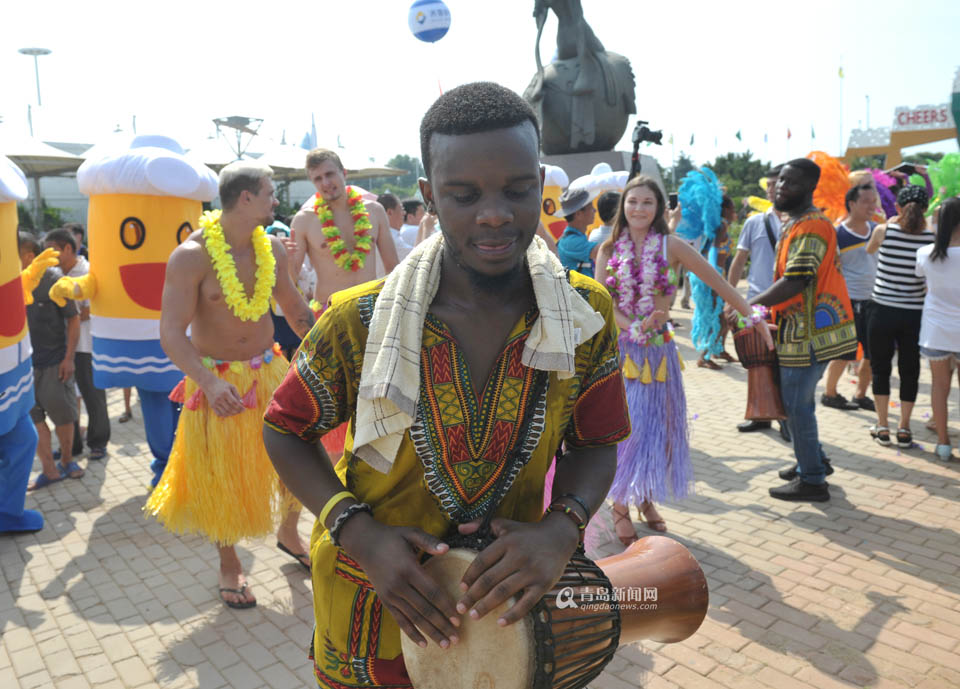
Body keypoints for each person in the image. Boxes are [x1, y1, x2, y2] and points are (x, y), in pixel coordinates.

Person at [262, 81, 629, 688]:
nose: (494, 213)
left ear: (542, 185)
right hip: (371, 610)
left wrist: (562, 529)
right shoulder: (359, 319)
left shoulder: (582, 313)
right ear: (430, 196)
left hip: (504, 626)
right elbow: (284, 428)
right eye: (463, 195)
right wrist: (361, 536)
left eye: (517, 190)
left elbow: (597, 441)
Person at [145, 161, 317, 609]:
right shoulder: (191, 256)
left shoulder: (272, 250)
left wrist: (328, 347)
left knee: (299, 456)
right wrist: (206, 381)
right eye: (270, 192)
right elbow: (170, 333)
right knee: (220, 478)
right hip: (216, 381)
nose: (275, 200)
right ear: (246, 199)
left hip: (269, 371)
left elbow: (294, 307)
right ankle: (229, 564)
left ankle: (289, 533)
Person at [597, 176, 773, 543]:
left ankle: (643, 498)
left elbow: (719, 282)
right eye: (633, 202)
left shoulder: (670, 246)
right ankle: (619, 506)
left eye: (647, 202)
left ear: (659, 209)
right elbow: (604, 304)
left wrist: (752, 317)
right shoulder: (608, 248)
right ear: (623, 207)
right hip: (623, 355)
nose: (639, 209)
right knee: (627, 432)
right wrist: (631, 327)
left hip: (659, 356)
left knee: (655, 433)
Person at [747, 159, 858, 501]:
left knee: (797, 407)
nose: (781, 188)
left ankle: (812, 480)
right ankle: (811, 462)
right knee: (793, 404)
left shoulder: (811, 225)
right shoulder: (797, 222)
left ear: (810, 189)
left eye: (791, 183)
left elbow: (797, 278)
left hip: (809, 334)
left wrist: (749, 306)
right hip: (797, 331)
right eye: (780, 180)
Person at [864, 185, 935, 448]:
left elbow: (870, 251)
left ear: (897, 208)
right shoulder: (930, 239)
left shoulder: (883, 231)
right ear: (925, 209)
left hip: (881, 309)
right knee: (909, 370)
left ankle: (882, 426)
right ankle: (904, 428)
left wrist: (888, 223)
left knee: (880, 367)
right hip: (914, 314)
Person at [289, 149, 399, 310]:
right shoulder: (304, 220)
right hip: (329, 310)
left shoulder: (375, 211)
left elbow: (393, 267)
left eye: (329, 174)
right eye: (318, 178)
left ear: (344, 173)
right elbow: (291, 278)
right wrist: (287, 262)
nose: (325, 183)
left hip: (370, 308)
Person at [727, 165, 791, 436]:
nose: (773, 189)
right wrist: (729, 299)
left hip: (789, 302)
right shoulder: (754, 222)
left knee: (785, 364)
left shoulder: (798, 222)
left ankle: (787, 419)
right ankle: (760, 414)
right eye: (770, 185)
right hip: (756, 302)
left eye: (779, 184)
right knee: (757, 363)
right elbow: (739, 260)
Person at [18, 233, 84, 489]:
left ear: (29, 256)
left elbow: (74, 319)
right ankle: (49, 470)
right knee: (33, 420)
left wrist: (69, 358)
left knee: (64, 418)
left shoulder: (55, 281)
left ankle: (67, 460)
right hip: (23, 368)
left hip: (55, 363)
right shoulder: (11, 283)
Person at [44, 228, 110, 460]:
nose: (50, 257)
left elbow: (91, 310)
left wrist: (67, 314)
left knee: (93, 396)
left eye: (54, 252)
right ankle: (72, 447)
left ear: (69, 249)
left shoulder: (89, 271)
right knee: (67, 398)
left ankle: (98, 442)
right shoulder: (54, 273)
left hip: (87, 345)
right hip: (62, 348)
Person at [821, 184, 879, 412]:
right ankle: (830, 393)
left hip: (875, 300)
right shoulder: (837, 233)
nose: (872, 206)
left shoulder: (878, 230)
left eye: (873, 201)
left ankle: (861, 394)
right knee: (844, 352)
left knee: (873, 353)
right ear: (851, 204)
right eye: (866, 201)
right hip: (848, 302)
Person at [917, 198, 960, 460]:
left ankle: (943, 444)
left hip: (935, 330)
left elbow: (922, 281)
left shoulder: (925, 253)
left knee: (939, 387)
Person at [696, 196, 736, 370]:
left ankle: (718, 350)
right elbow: (712, 251)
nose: (734, 212)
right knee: (717, 320)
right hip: (714, 278)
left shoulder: (717, 226)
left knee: (722, 320)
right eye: (732, 208)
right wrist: (715, 282)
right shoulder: (721, 226)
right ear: (725, 209)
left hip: (717, 276)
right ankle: (703, 356)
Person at [556, 187, 599, 277]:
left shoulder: (572, 237)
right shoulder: (571, 241)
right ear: (579, 214)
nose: (594, 211)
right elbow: (602, 251)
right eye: (591, 207)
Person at [378, 192, 413, 261]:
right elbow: (417, 256)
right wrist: (425, 227)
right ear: (390, 212)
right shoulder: (390, 238)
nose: (404, 213)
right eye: (401, 209)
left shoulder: (382, 234)